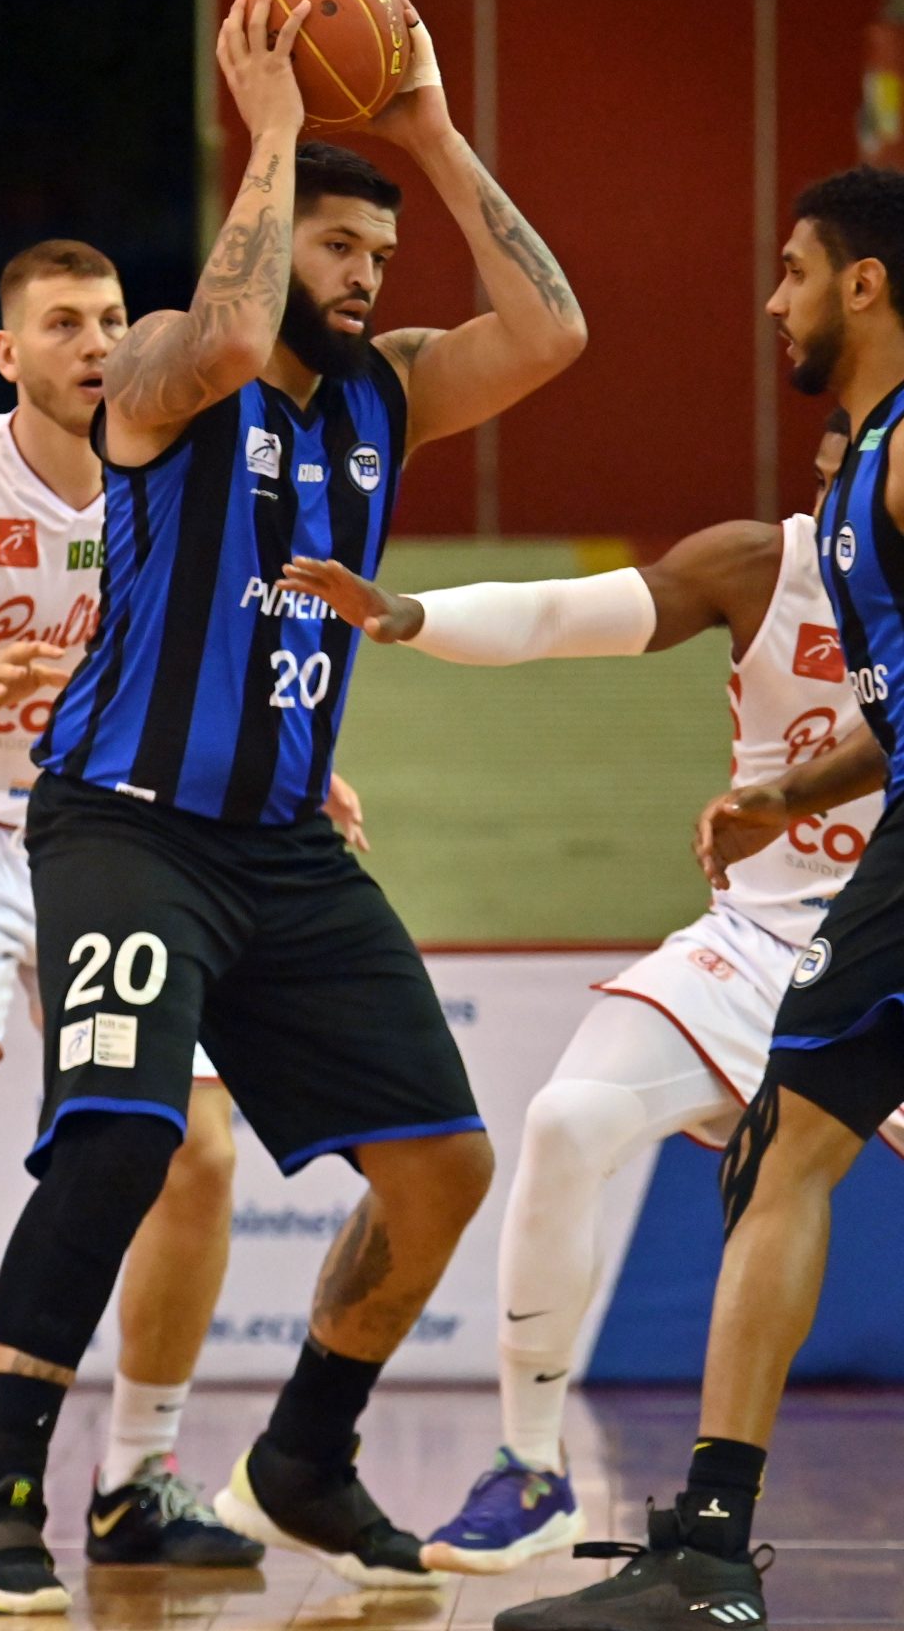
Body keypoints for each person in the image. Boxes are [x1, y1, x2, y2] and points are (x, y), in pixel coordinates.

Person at [0, 0, 586, 1616]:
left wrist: (430, 133)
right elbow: (227, 337)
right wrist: (276, 130)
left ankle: (301, 1456)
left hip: (287, 847)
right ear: (277, 231)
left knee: (443, 1164)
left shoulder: (387, 392)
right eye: (341, 248)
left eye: (381, 257)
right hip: (126, 821)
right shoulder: (161, 367)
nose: (366, 277)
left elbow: (554, 332)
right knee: (123, 1139)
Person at [282, 411, 904, 1583]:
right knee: (568, 1120)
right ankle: (531, 1471)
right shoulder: (758, 564)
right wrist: (412, 615)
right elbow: (565, 613)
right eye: (837, 479)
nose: (849, 509)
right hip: (756, 940)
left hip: (886, 950)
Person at [0, 240, 364, 1568]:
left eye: (113, 319)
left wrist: (306, 768)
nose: (94, 343)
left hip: (119, 835)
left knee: (200, 1152)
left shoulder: (174, 476)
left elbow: (231, 657)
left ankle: (137, 1478)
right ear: (7, 352)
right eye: (62, 322)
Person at [476, 164, 904, 1629]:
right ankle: (700, 1547)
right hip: (801, 903)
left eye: (794, 269)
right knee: (769, 1152)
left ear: (863, 285)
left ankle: (711, 1555)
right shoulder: (826, 516)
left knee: (783, 1160)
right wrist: (792, 792)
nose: (773, 298)